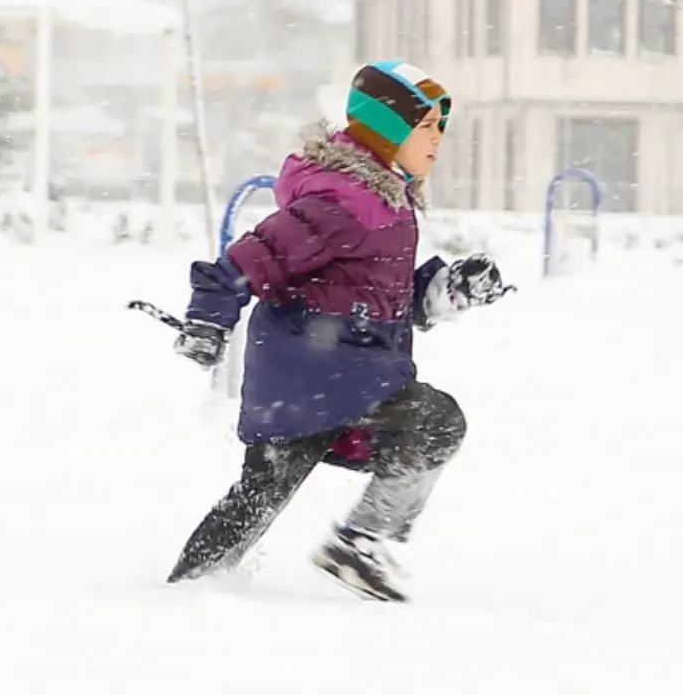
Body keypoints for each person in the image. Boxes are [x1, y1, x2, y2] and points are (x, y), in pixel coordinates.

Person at [165, 59, 514, 602]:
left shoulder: (385, 202)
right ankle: (356, 543)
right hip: (316, 375)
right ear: (387, 129)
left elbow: (377, 298)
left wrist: (448, 290)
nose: (437, 140)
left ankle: (194, 585)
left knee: (256, 501)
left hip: (331, 377)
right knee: (434, 422)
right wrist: (209, 318)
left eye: (440, 128)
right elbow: (254, 258)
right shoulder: (343, 202)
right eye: (425, 126)